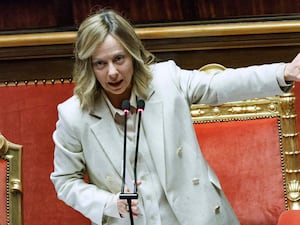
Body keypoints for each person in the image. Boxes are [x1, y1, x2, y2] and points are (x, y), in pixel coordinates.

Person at [50, 9, 300, 225]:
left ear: (133, 55)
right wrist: (109, 203)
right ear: (89, 67)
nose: (112, 73)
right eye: (100, 64)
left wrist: (284, 72)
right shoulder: (74, 115)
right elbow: (64, 181)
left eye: (119, 59)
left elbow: (219, 85)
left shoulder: (167, 79)